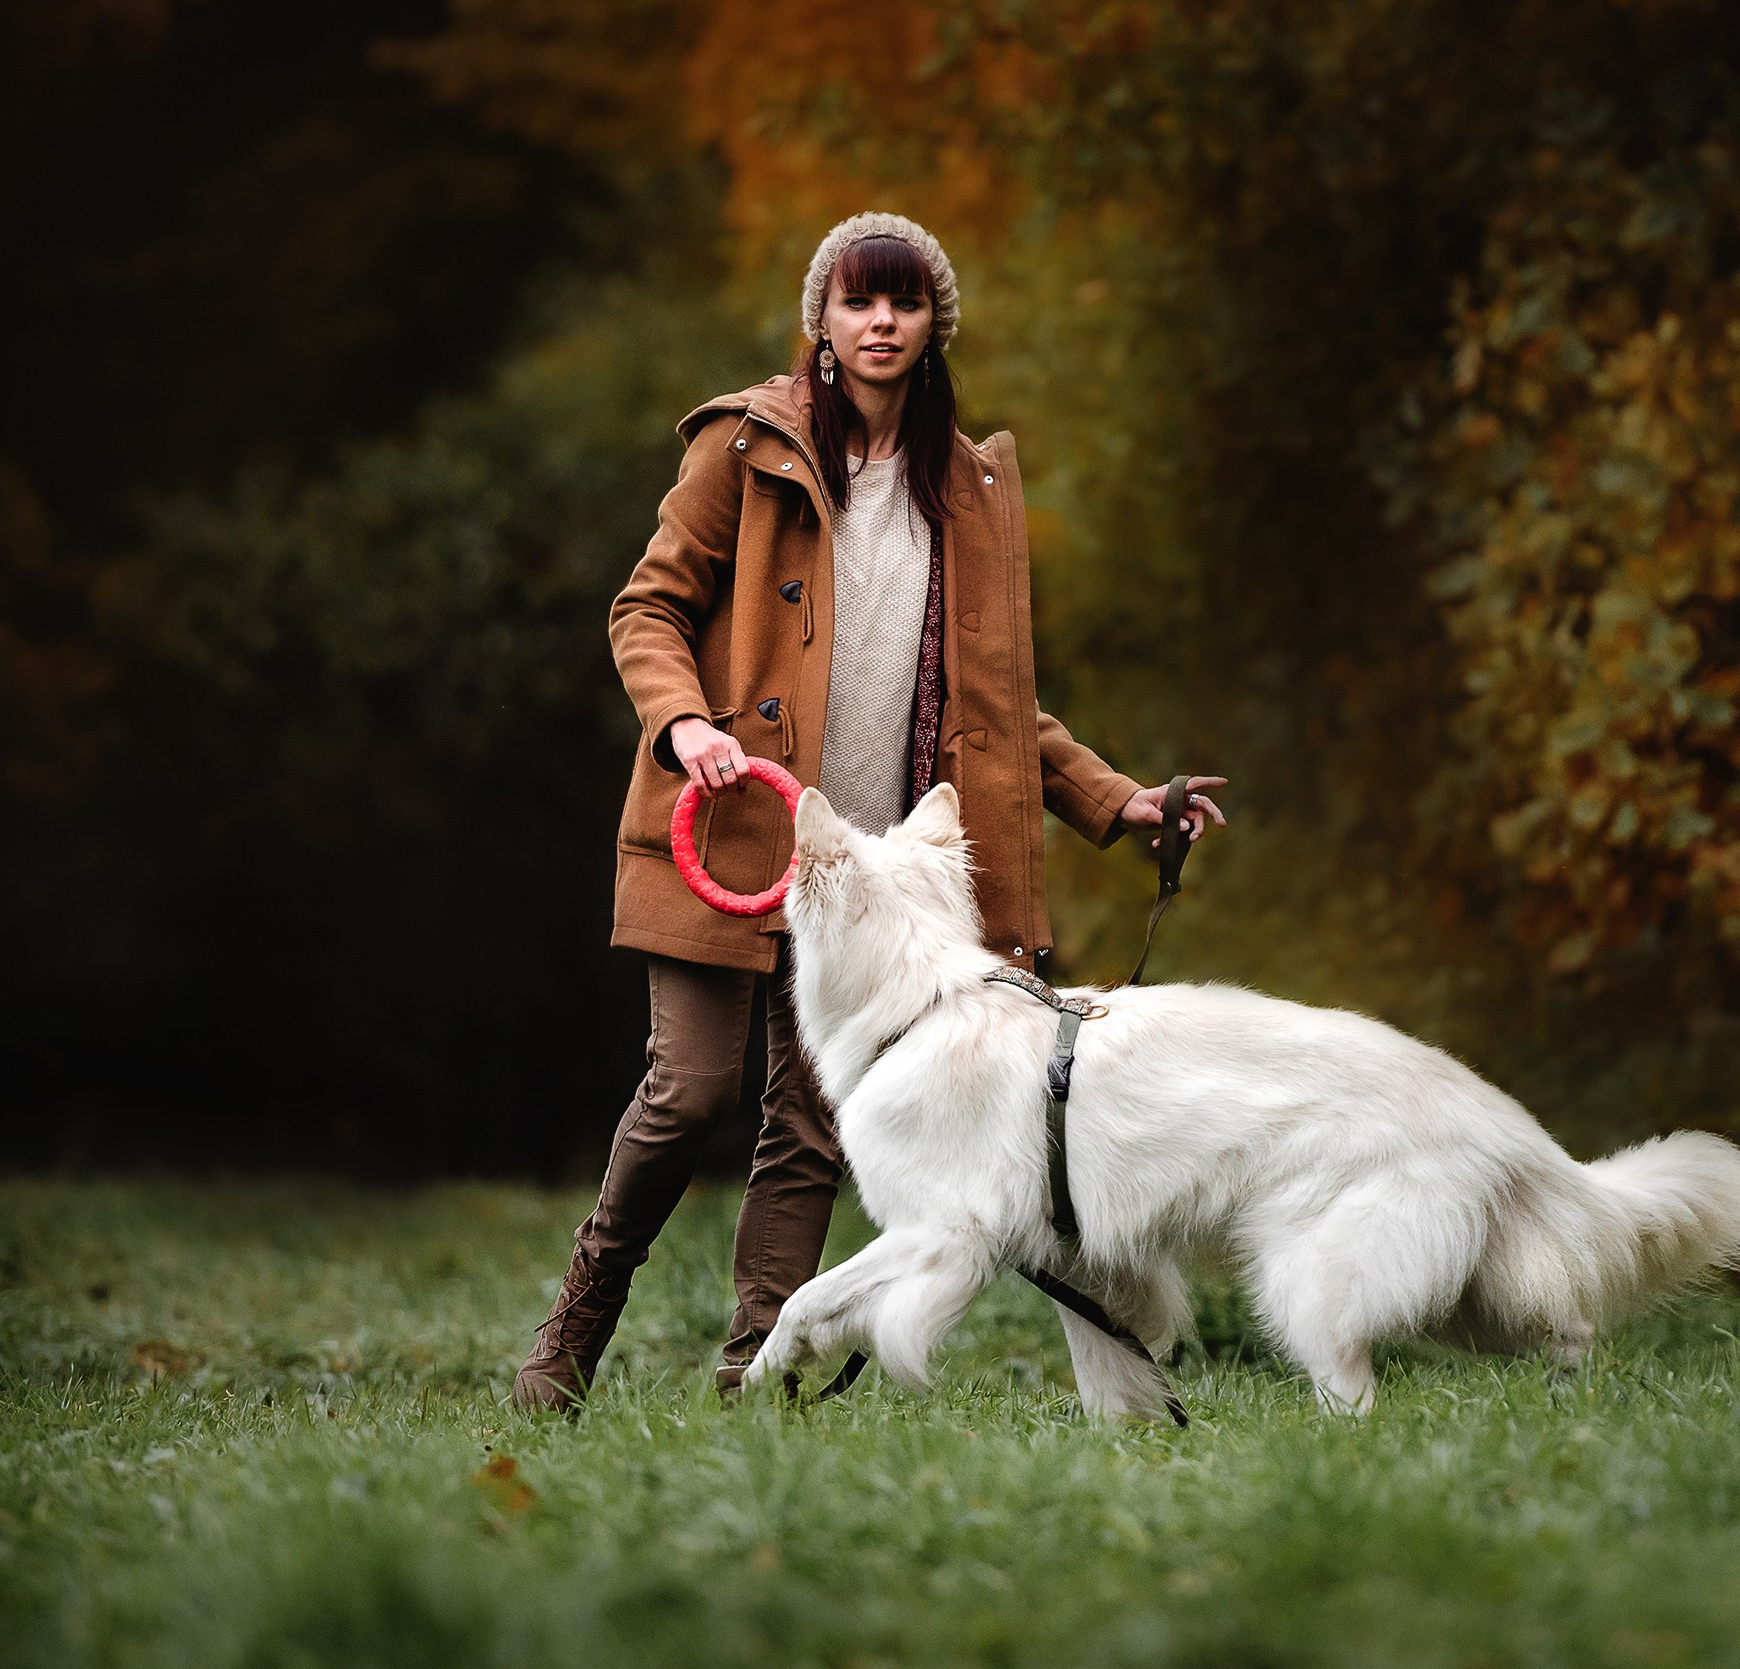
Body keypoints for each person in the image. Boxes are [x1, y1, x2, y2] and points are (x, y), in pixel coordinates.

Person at [512, 212, 1225, 1411]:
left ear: (933, 323)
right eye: (859, 300)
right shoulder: (747, 448)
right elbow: (645, 609)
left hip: (872, 876)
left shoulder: (971, 487)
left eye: (904, 302)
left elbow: (1002, 714)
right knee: (687, 1090)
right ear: (823, 323)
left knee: (807, 1126)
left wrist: (1119, 803)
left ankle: (758, 1374)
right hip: (734, 830)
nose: (882, 320)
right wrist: (686, 725)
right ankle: (575, 1325)